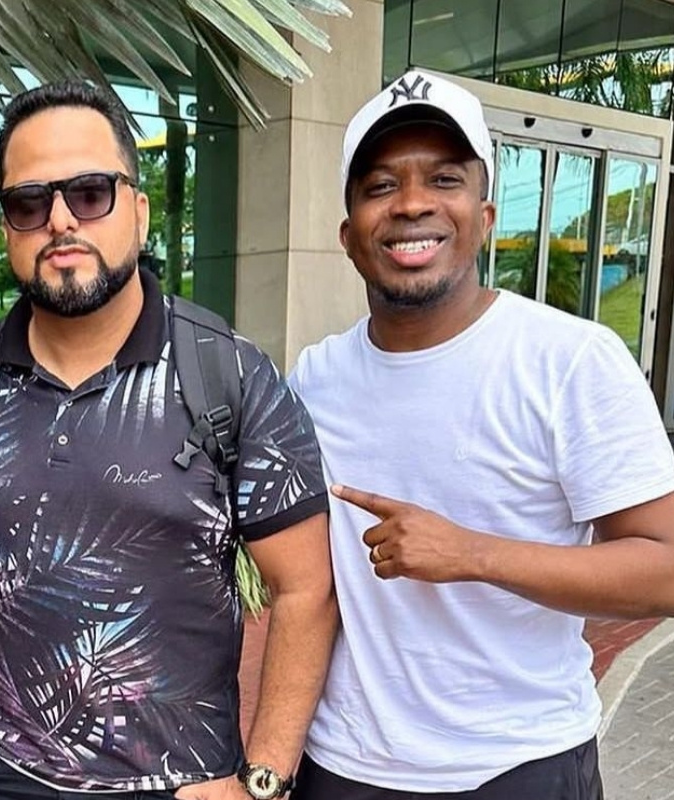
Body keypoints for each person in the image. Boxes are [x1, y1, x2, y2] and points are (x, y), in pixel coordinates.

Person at [0, 80, 337, 800]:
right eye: (29, 202)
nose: (61, 220)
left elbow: (306, 586)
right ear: (7, 227)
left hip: (185, 784)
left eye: (90, 192)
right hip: (0, 775)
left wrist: (262, 778)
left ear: (139, 208)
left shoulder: (226, 374)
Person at [288, 70, 674, 800]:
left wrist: (473, 554)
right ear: (348, 235)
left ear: (485, 215)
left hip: (518, 765)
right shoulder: (316, 376)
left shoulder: (569, 360)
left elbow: (665, 569)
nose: (412, 204)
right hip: (344, 766)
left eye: (445, 179)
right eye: (380, 186)